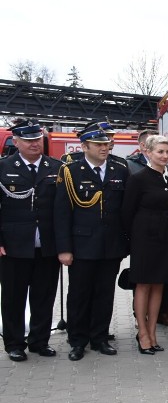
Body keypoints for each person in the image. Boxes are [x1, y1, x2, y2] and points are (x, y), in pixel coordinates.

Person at [54, 122, 129, 360]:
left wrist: (126, 242)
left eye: (106, 144)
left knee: (104, 294)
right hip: (82, 245)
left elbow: (125, 209)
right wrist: (64, 249)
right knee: (79, 294)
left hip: (111, 245)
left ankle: (100, 337)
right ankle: (77, 340)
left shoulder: (120, 167)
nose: (104, 148)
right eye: (98, 144)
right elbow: (62, 212)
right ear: (84, 146)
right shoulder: (70, 170)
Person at [0, 120, 62, 361]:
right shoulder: (4, 167)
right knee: (14, 297)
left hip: (47, 245)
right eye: (28, 140)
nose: (34, 143)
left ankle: (39, 341)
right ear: (16, 142)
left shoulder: (56, 167)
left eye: (37, 139)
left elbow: (62, 210)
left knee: (44, 296)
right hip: (14, 246)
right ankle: (14, 343)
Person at [121, 134, 168, 354]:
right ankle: (142, 333)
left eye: (167, 151)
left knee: (159, 286)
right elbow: (127, 213)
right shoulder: (138, 178)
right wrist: (132, 241)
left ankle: (153, 332)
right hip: (144, 240)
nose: (164, 156)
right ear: (148, 152)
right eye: (160, 152)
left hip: (166, 239)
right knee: (143, 285)